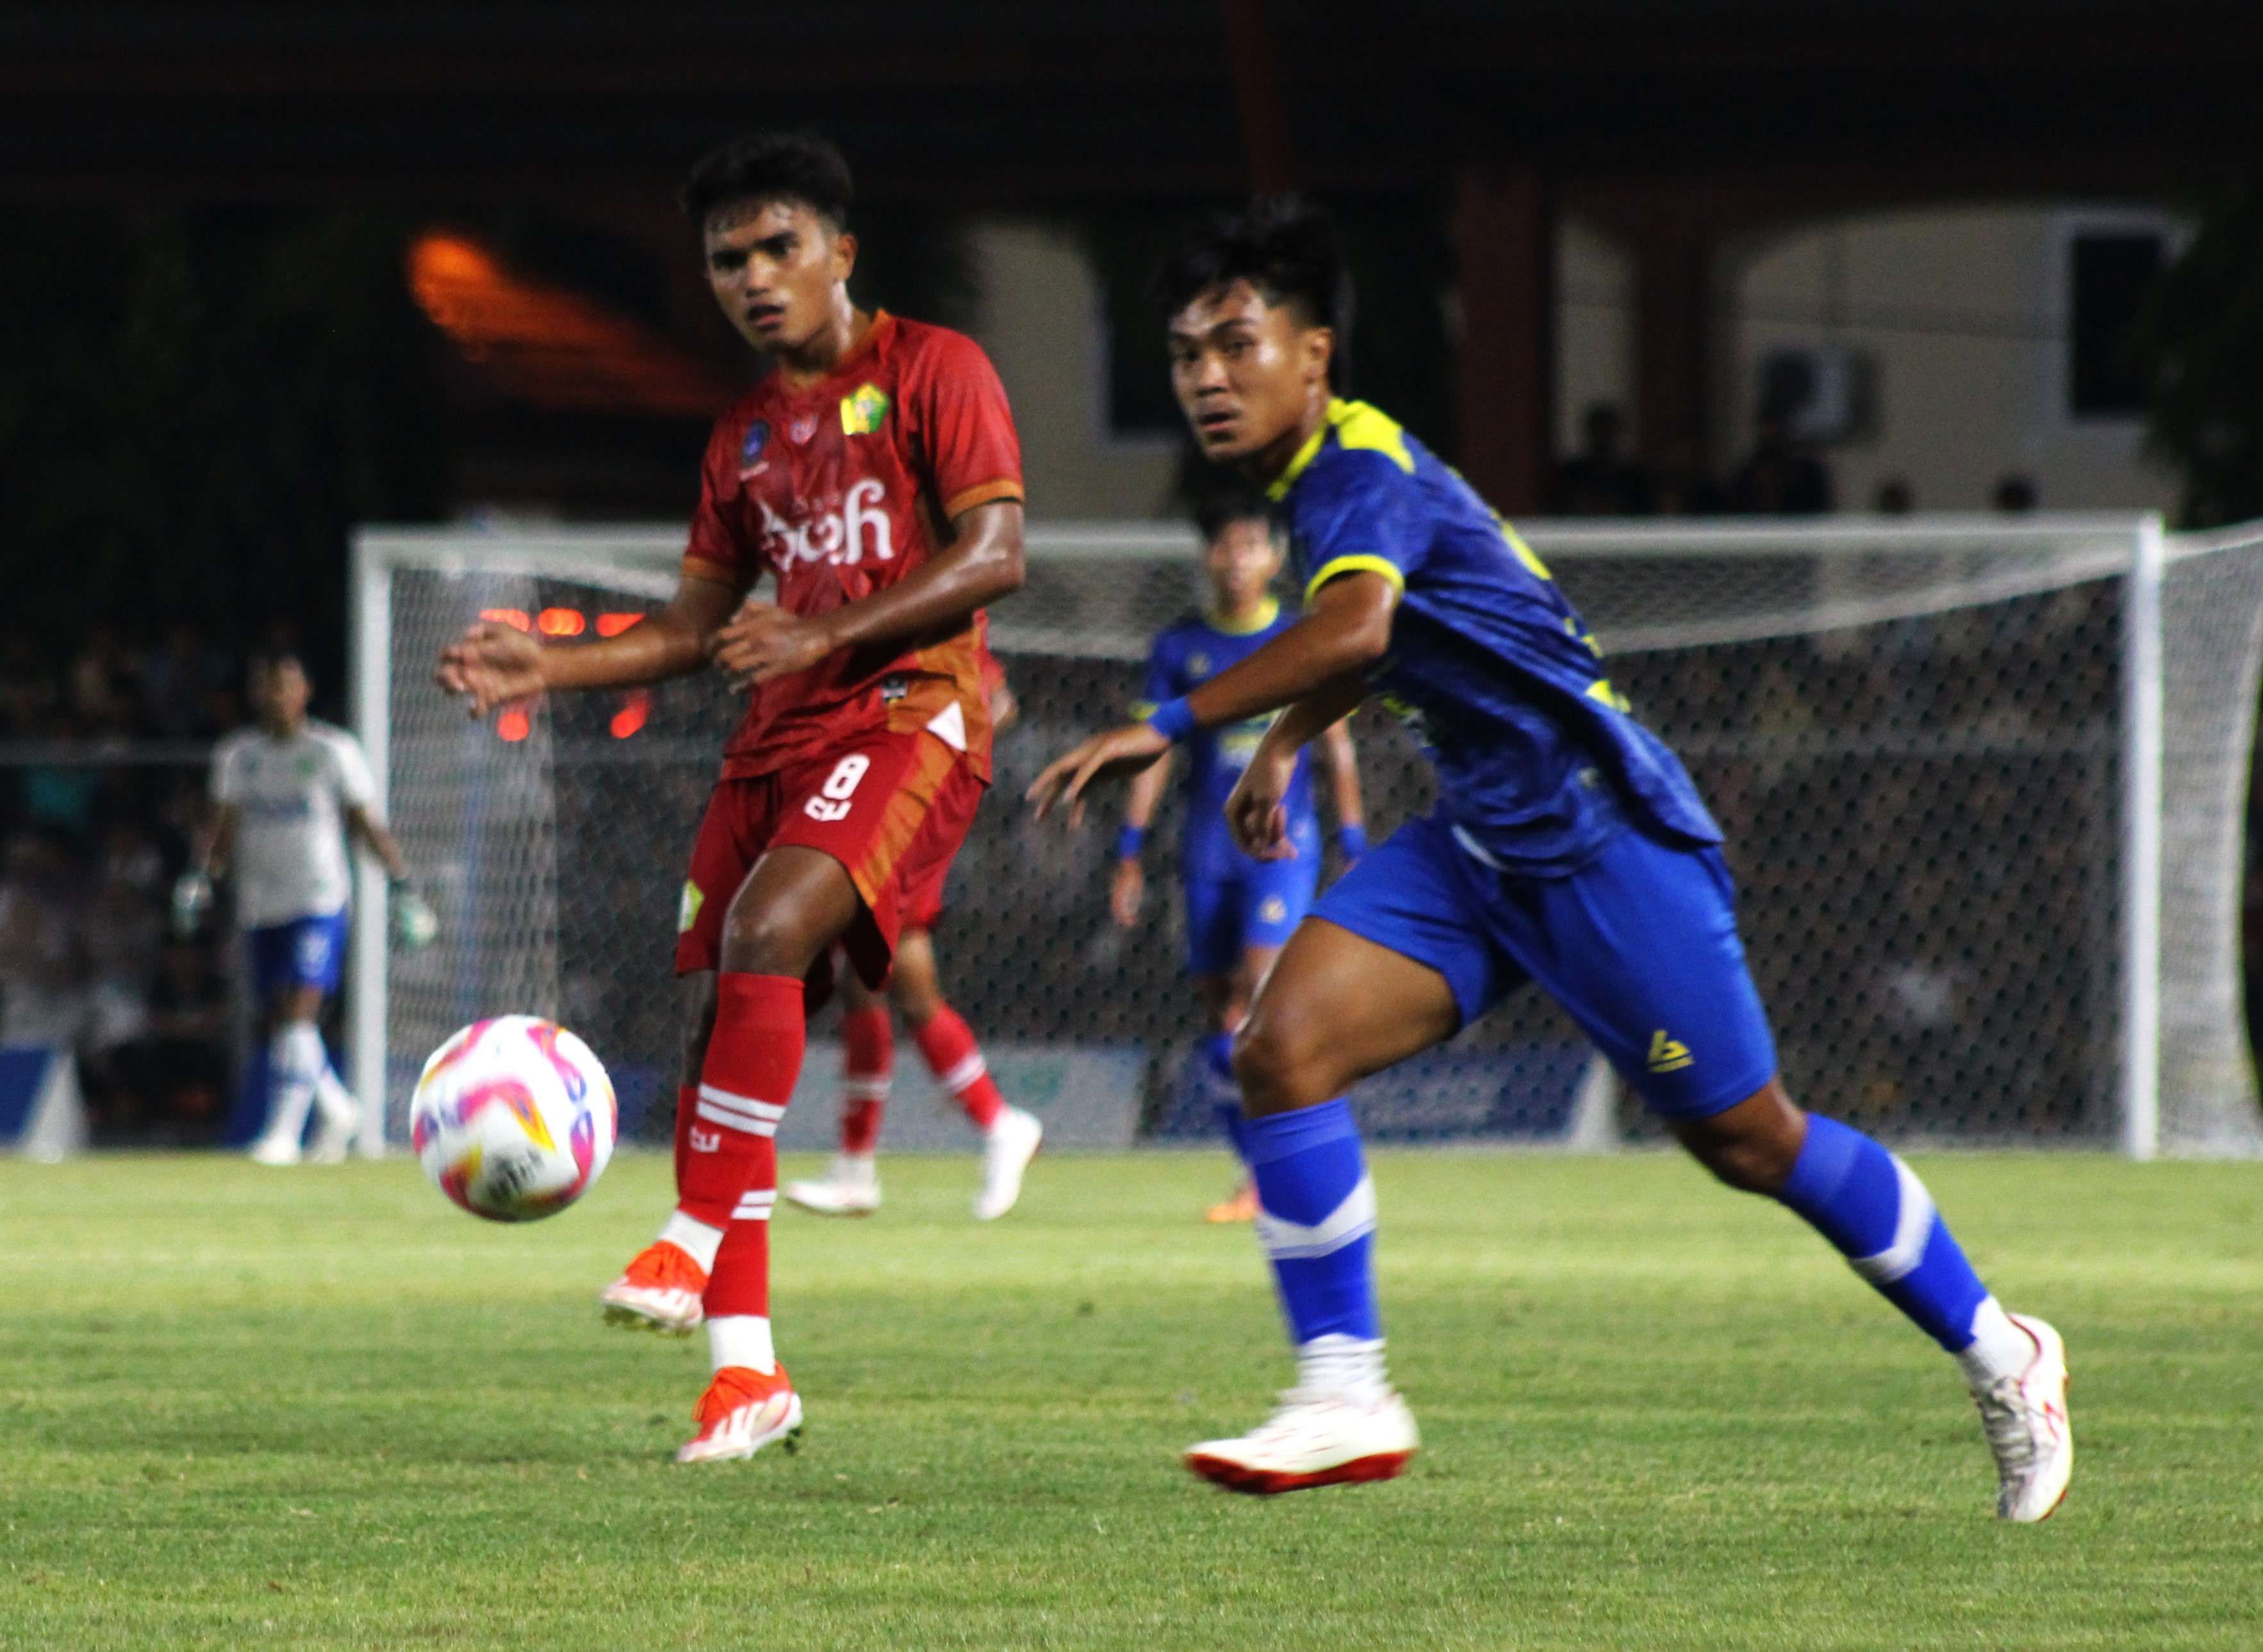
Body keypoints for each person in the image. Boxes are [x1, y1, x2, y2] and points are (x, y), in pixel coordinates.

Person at [1028, 197, 2071, 1520]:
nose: (1206, 378)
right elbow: (1391, 633)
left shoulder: (1355, 468)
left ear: (1314, 352)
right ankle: (1344, 1389)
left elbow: (1357, 628)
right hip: (1477, 843)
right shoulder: (1320, 487)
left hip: (1599, 837)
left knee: (1750, 1139)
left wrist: (1171, 722)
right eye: (1185, 355)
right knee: (1280, 1048)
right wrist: (1285, 742)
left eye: (1238, 343)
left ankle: (2001, 1346)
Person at [436, 130, 1028, 1466]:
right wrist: (553, 659)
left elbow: (997, 553)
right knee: (719, 1041)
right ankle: (745, 1377)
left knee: (768, 930)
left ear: (840, 252)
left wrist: (825, 631)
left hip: (912, 709)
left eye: (779, 247)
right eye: (726, 259)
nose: (754, 276)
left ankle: (692, 1231)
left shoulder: (936, 369)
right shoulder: (743, 437)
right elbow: (695, 626)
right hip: (778, 736)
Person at [1112, 486, 1363, 1223]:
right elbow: (1155, 754)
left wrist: (1353, 841)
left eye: (1249, 545)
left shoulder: (1300, 637)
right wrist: (1128, 850)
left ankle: (1288, 1164)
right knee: (1218, 1018)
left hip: (1282, 847)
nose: (1234, 559)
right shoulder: (1179, 648)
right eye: (1223, 545)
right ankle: (1258, 1171)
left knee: (1251, 1003)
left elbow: (1337, 747)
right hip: (1206, 852)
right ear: (1206, 557)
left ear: (1275, 558)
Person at [786, 658, 1043, 1221]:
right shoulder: (866, 628)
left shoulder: (938, 626)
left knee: (892, 977)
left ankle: (994, 1123)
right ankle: (865, 1164)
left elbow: (1000, 706)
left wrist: (930, 758)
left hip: (904, 817)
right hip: (874, 808)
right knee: (869, 983)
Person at [178, 650, 425, 1165]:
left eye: (286, 685)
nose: (277, 696)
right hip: (261, 902)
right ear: (255, 694)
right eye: (268, 686)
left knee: (299, 1011)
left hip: (319, 899)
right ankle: (336, 1106)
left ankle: (284, 1133)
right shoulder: (238, 755)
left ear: (305, 692)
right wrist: (202, 879)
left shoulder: (333, 750)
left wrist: (402, 885)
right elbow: (223, 828)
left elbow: (365, 822)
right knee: (283, 1021)